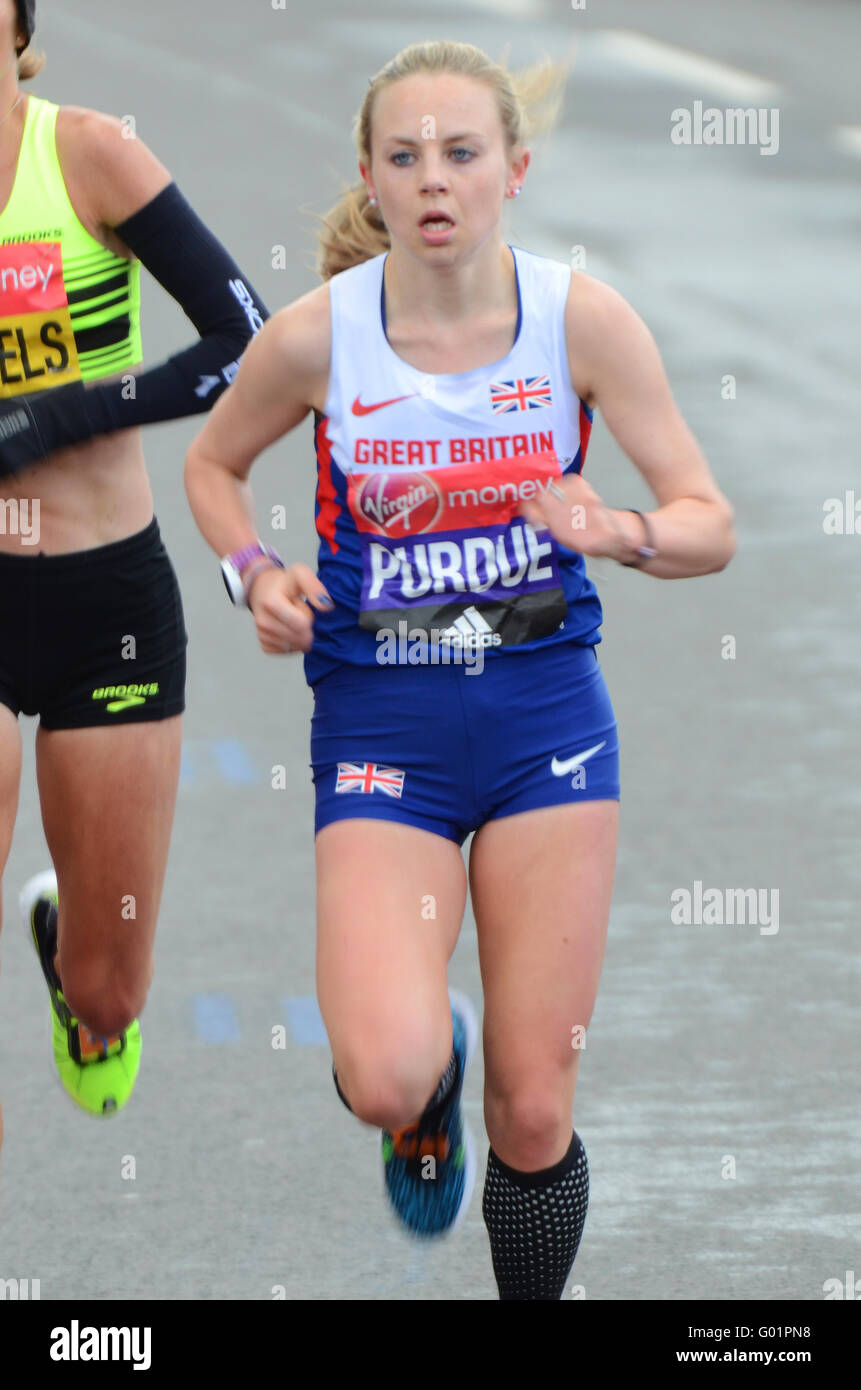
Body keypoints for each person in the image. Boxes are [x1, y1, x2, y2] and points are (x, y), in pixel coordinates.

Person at [184, 39, 735, 1300]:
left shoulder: (579, 320)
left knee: (536, 1110)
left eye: (463, 153)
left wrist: (622, 533)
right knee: (382, 1070)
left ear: (515, 172)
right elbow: (213, 468)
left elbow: (710, 518)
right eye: (406, 156)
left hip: (548, 718)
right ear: (371, 181)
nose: (435, 178)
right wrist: (255, 577)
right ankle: (425, 1091)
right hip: (386, 725)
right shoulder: (323, 338)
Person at [0, 0, 269, 1135]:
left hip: (100, 594)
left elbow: (244, 344)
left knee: (113, 997)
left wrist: (60, 419)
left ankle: (78, 962)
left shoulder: (90, 156)